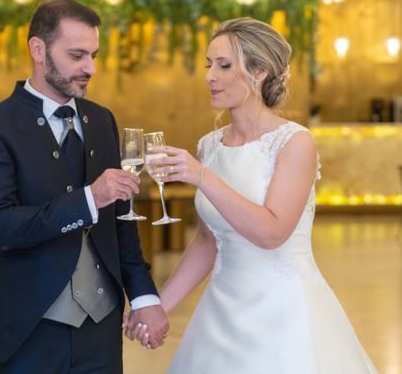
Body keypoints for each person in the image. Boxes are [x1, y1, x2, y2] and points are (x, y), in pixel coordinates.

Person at [141, 18, 377, 373]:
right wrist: (159, 307)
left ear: (259, 72)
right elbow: (208, 240)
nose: (209, 76)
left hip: (284, 314)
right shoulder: (209, 146)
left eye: (223, 66)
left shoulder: (294, 142)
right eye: (208, 65)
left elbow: (271, 232)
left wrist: (201, 176)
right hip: (220, 316)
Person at [0, 0, 168, 374]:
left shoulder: (102, 120)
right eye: (77, 55)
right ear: (38, 50)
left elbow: (122, 220)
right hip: (27, 332)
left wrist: (143, 295)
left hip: (101, 330)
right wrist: (91, 198)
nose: (89, 68)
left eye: (93, 54)